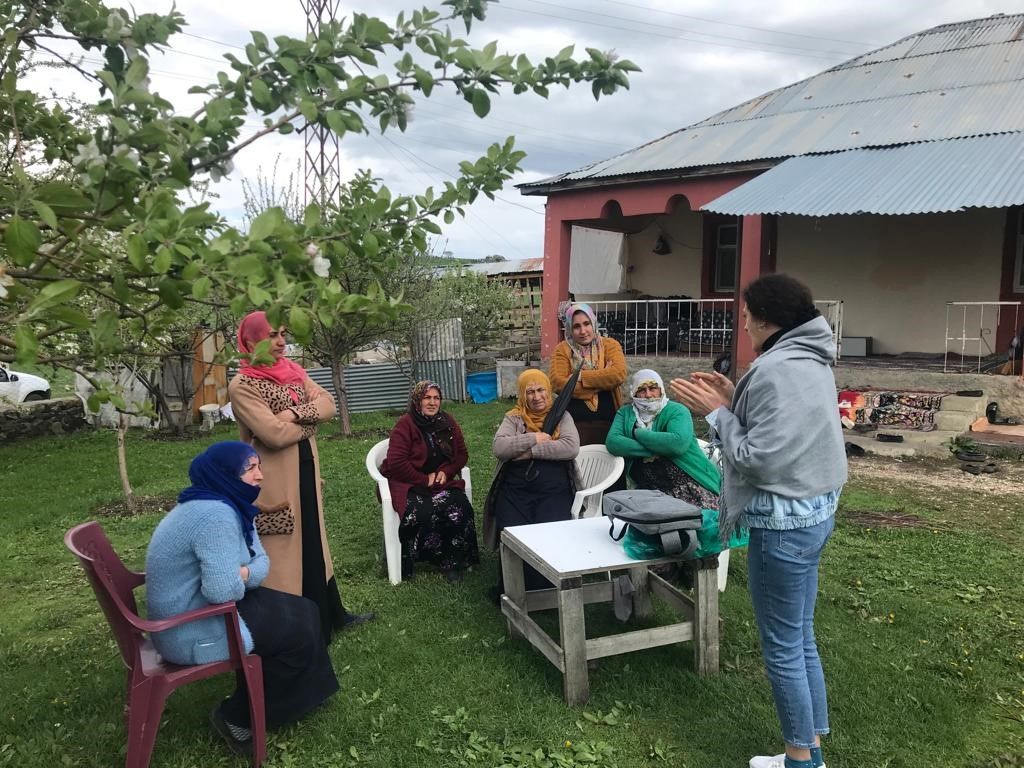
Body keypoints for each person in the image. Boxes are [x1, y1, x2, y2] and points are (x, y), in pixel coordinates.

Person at [670, 274, 847, 768]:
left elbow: (759, 459)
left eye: (746, 317)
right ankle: (812, 743)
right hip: (815, 514)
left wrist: (719, 414)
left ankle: (799, 759)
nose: (743, 326)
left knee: (783, 647)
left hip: (783, 525)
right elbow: (780, 428)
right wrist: (735, 395)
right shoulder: (810, 359)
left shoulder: (775, 370)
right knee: (800, 633)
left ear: (767, 320)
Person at [146, 442, 338, 757]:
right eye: (250, 468)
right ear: (224, 474)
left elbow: (259, 564)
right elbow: (222, 590)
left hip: (200, 609)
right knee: (295, 631)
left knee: (306, 609)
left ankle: (306, 693)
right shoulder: (215, 515)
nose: (260, 476)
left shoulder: (227, 502)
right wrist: (243, 576)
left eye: (258, 466)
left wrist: (243, 574)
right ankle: (235, 718)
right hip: (188, 629)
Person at [229, 310, 371, 644]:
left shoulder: (294, 373)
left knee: (314, 542)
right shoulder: (243, 385)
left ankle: (331, 615)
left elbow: (328, 405)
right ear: (250, 341)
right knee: (284, 555)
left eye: (282, 334)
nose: (280, 342)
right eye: (270, 336)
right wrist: (309, 422)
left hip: (306, 471)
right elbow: (272, 435)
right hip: (274, 482)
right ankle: (297, 627)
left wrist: (293, 413)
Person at [483, 369, 580, 592]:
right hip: (515, 489)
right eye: (530, 392)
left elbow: (570, 447)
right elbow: (500, 447)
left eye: (540, 390)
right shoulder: (514, 417)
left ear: (548, 391)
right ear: (522, 395)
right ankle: (514, 588)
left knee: (550, 532)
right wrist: (533, 437)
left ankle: (547, 587)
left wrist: (531, 452)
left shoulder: (562, 415)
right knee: (513, 533)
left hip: (554, 489)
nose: (536, 397)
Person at [380, 381, 480, 581]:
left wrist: (446, 470)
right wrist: (424, 479)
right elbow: (397, 462)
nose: (432, 402)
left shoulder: (447, 422)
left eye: (436, 398)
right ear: (417, 400)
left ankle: (452, 561)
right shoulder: (405, 425)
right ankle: (411, 558)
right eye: (427, 398)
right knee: (419, 512)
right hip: (407, 483)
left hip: (439, 483)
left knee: (459, 505)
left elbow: (461, 454)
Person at [605, 368, 721, 513]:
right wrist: (657, 449)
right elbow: (613, 443)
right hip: (649, 493)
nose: (648, 395)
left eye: (653, 389)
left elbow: (677, 444)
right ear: (633, 393)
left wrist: (638, 433)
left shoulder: (677, 410)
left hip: (691, 487)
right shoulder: (625, 413)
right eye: (641, 390)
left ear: (661, 389)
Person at [549, 302, 627, 446]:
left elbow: (618, 374)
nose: (583, 331)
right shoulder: (562, 350)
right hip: (573, 427)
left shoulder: (610, 345)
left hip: (610, 423)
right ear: (569, 329)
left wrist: (579, 377)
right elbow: (558, 382)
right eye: (576, 326)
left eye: (587, 324)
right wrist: (602, 380)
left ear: (594, 324)